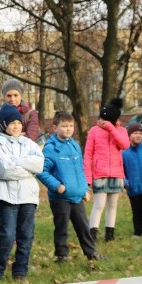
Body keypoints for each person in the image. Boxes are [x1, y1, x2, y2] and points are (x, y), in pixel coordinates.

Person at [0, 103, 44, 282]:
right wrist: (27, 169)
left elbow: (39, 165)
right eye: (12, 123)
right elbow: (4, 171)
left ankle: (20, 272)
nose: (16, 126)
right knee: (7, 234)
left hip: (28, 196)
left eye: (18, 123)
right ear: (4, 125)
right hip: (6, 196)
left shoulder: (29, 143)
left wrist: (16, 161)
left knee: (26, 235)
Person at [37, 111, 100, 263]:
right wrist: (57, 186)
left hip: (77, 195)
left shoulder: (75, 146)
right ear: (55, 128)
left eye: (71, 126)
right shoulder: (50, 148)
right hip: (60, 197)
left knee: (83, 226)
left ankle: (91, 253)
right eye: (64, 126)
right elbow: (41, 171)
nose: (68, 129)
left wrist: (85, 189)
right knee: (62, 228)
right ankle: (62, 255)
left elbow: (81, 169)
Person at [84, 99, 129, 242]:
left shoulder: (121, 131)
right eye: (101, 118)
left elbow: (124, 145)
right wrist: (88, 178)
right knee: (99, 205)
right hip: (100, 174)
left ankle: (110, 234)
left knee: (112, 206)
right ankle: (92, 233)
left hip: (116, 174)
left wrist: (111, 129)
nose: (101, 121)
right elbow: (88, 155)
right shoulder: (94, 131)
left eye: (105, 119)